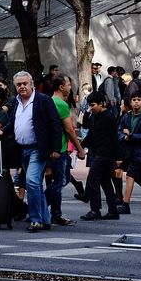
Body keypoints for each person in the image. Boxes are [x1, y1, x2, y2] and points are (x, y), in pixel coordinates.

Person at [7, 71, 63, 233]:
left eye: (25, 83)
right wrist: (0, 132)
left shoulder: (43, 100)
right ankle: (45, 219)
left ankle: (35, 219)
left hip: (38, 148)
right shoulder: (15, 102)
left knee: (31, 181)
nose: (22, 87)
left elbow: (55, 124)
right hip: (22, 149)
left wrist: (55, 149)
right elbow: (11, 124)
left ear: (31, 84)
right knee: (36, 184)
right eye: (19, 84)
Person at [47, 75, 84, 226]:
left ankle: (54, 213)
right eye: (68, 84)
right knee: (62, 180)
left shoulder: (48, 101)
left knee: (55, 181)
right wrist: (79, 149)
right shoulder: (60, 104)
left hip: (49, 148)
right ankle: (40, 205)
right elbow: (69, 130)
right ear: (61, 87)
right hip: (60, 148)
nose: (70, 87)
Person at [78, 92, 120, 221]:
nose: (91, 108)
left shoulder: (108, 117)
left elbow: (114, 138)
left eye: (93, 105)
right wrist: (80, 147)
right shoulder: (95, 116)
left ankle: (95, 209)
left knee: (92, 179)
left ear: (101, 103)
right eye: (90, 105)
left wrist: (117, 157)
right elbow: (90, 133)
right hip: (99, 152)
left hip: (105, 154)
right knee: (104, 181)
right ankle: (113, 210)